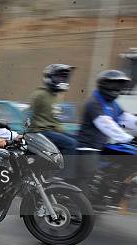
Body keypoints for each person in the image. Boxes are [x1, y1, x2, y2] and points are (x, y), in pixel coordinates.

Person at [76, 70, 136, 199]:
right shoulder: (94, 103)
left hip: (102, 146)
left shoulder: (113, 104)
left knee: (120, 162)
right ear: (104, 84)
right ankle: (80, 203)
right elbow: (106, 124)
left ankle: (109, 191)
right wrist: (129, 139)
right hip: (88, 147)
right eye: (114, 84)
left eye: (120, 85)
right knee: (90, 176)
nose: (117, 88)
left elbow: (126, 119)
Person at [28, 64, 77, 179]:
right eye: (59, 77)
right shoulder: (39, 94)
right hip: (41, 132)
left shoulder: (57, 95)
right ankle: (63, 177)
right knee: (71, 144)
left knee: (77, 140)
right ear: (49, 77)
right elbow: (28, 115)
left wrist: (65, 132)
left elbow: (54, 120)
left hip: (51, 131)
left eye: (64, 78)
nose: (62, 80)